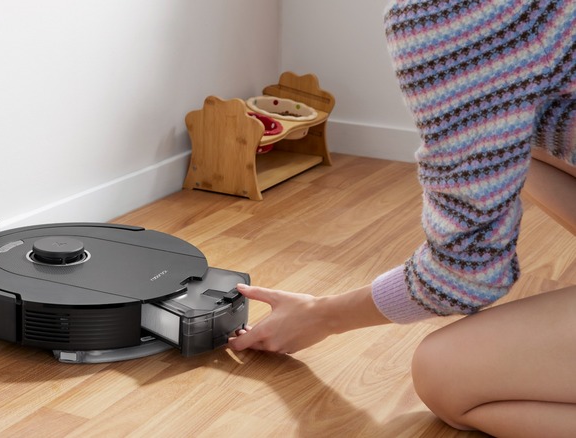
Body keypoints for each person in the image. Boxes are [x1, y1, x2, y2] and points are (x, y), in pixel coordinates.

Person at [228, 1, 576, 436]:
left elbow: (467, 274)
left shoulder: (455, 14)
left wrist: (322, 314)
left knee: (444, 373)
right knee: (531, 152)